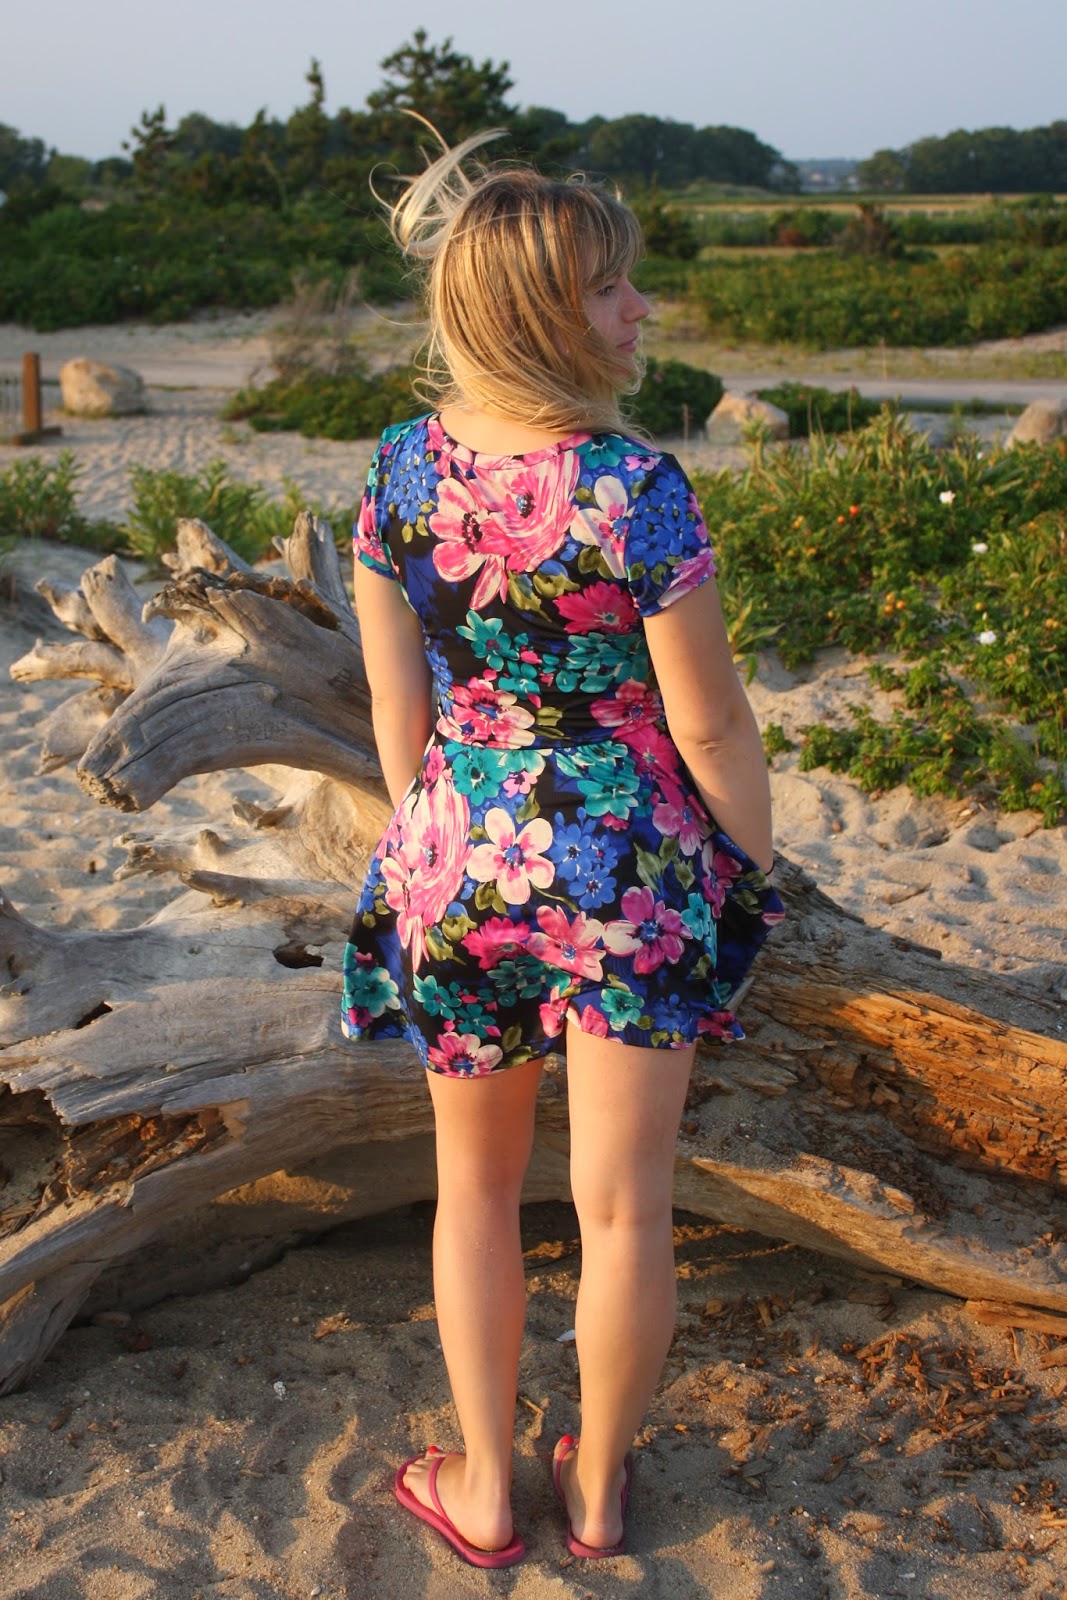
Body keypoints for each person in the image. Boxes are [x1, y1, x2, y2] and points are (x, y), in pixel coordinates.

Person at [341, 127, 783, 1568]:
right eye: (609, 287)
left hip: (457, 855)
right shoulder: (636, 487)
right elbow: (711, 723)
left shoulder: (399, 471)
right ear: (538, 310)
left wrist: (441, 841)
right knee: (622, 1206)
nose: (640, 308)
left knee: (475, 1191)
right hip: (625, 875)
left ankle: (482, 1489)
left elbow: (398, 713)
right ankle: (593, 1492)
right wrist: (748, 874)